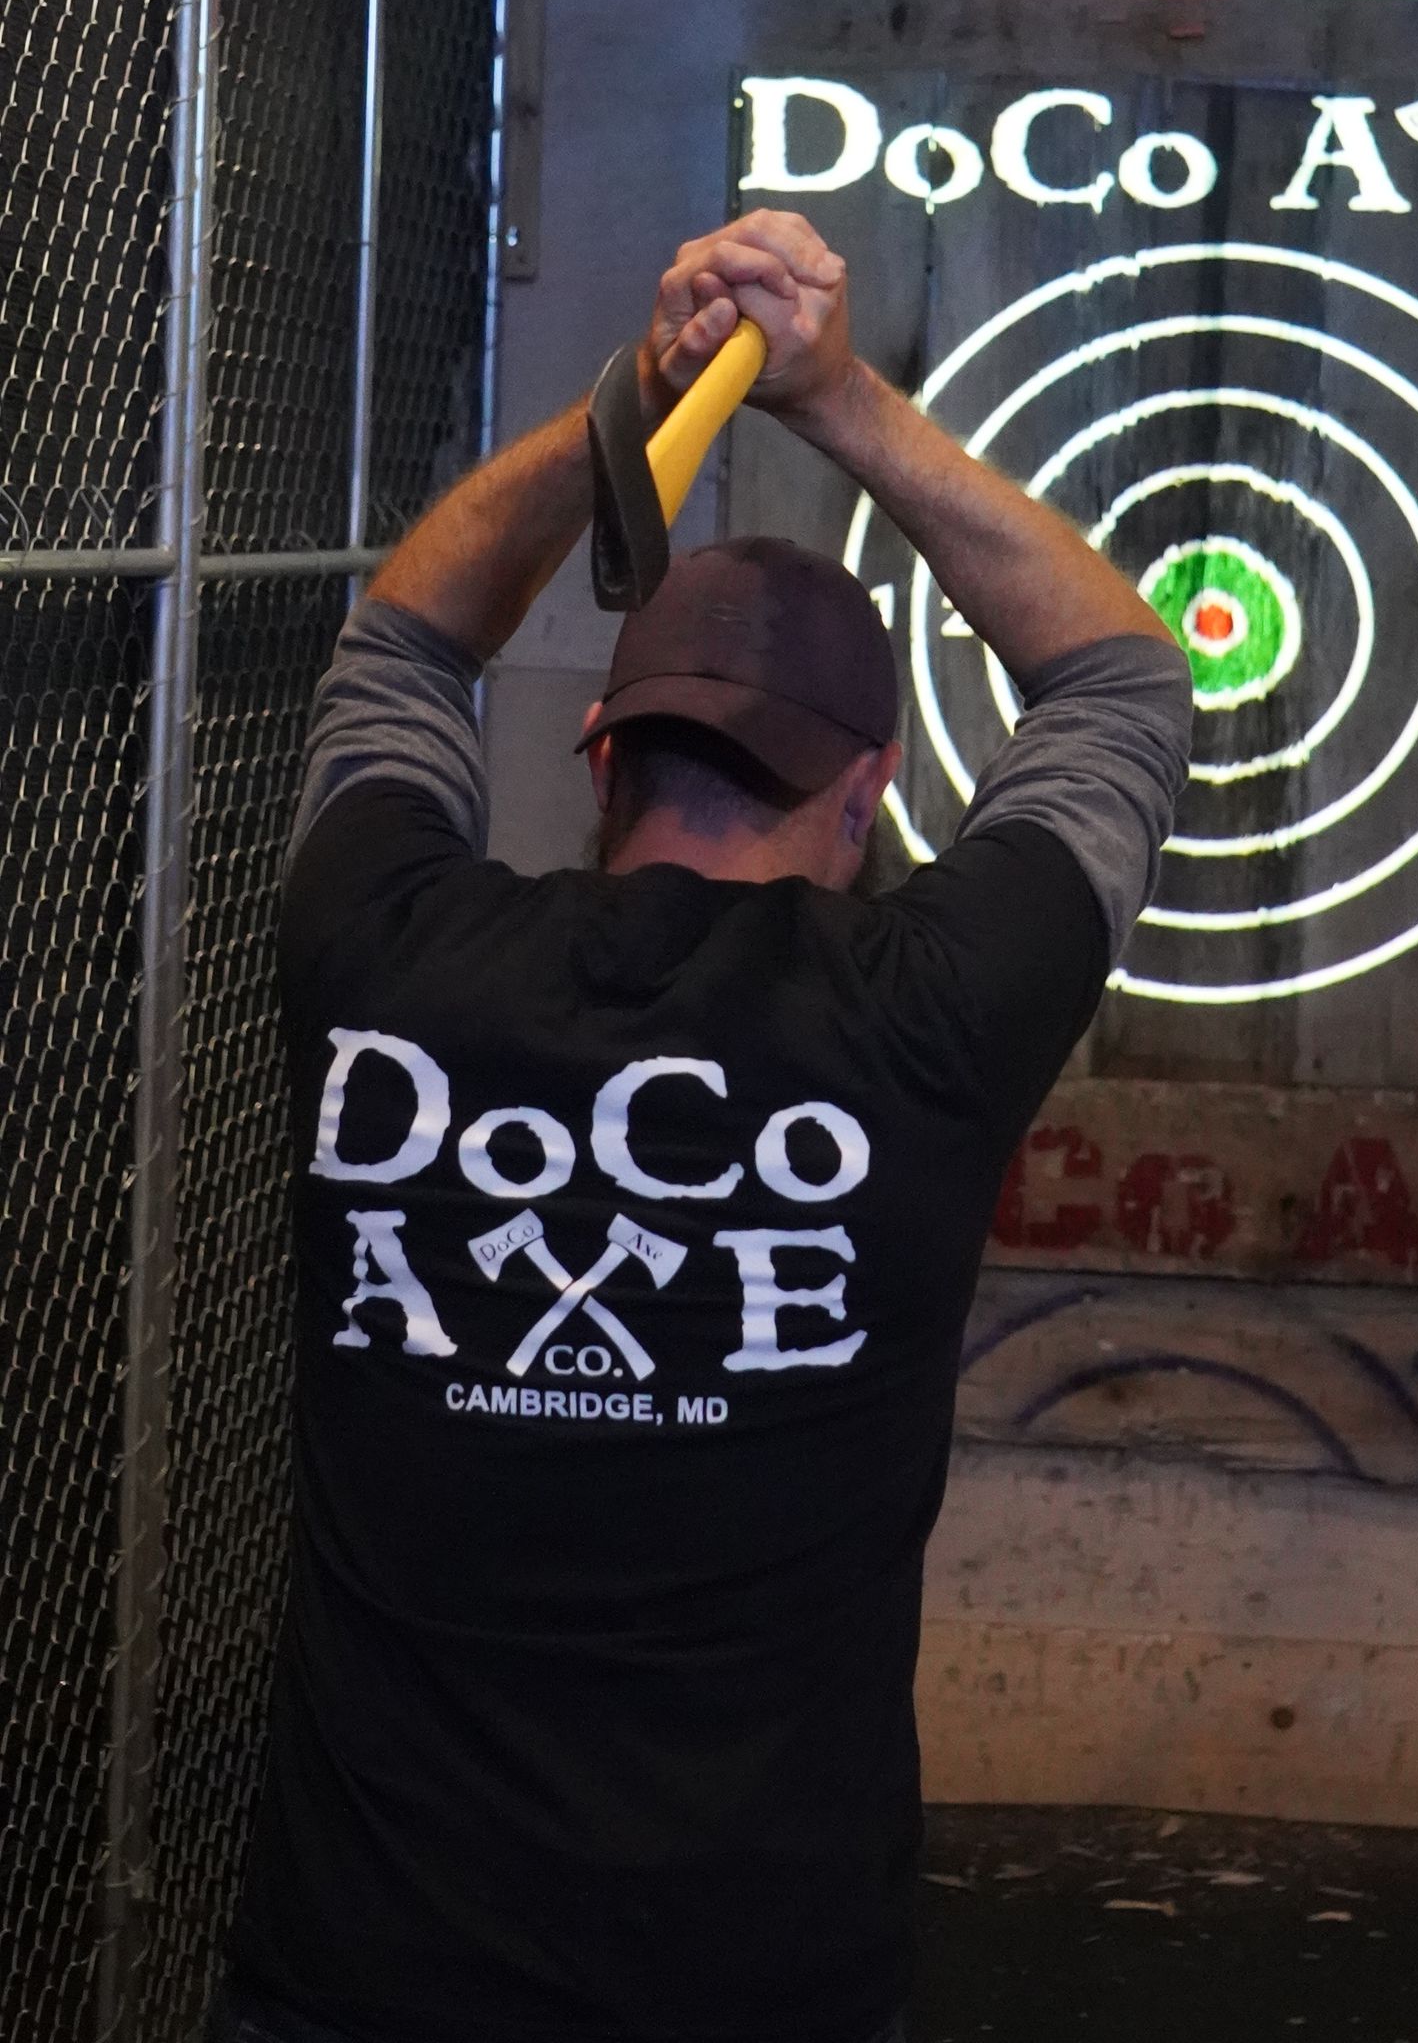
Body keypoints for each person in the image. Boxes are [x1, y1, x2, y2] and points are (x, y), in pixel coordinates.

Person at [218, 210, 1193, 2043]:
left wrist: (639, 399)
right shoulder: (930, 1016)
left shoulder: (381, 956)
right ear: (873, 789)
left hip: (364, 1967)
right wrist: (830, 398)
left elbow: (405, 646)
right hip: (754, 1977)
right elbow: (1124, 680)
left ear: (601, 748)